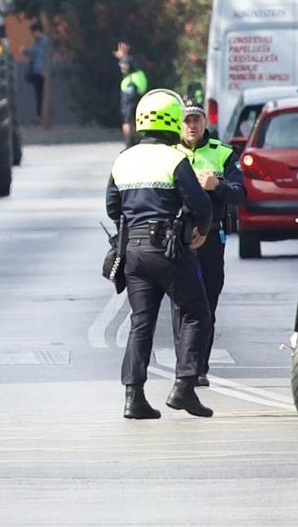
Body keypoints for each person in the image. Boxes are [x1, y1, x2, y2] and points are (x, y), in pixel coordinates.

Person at [105, 89, 215, 420]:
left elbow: (112, 207)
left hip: (134, 251)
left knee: (141, 322)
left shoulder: (123, 159)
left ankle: (133, 396)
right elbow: (201, 204)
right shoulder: (174, 159)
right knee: (196, 312)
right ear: (173, 122)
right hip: (169, 249)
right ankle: (184, 387)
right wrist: (202, 230)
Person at [174, 100, 246, 387]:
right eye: (186, 121)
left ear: (205, 122)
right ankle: (184, 367)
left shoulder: (223, 152)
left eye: (196, 120)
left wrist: (217, 186)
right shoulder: (169, 153)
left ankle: (199, 366)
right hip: (178, 238)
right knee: (181, 304)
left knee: (206, 303)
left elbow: (241, 193)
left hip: (212, 238)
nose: (191, 126)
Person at [23, 20, 49, 126]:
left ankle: (43, 117)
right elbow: (35, 55)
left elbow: (42, 56)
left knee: (42, 95)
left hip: (42, 72)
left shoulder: (45, 42)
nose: (33, 35)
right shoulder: (38, 42)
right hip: (37, 72)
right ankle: (40, 116)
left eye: (33, 32)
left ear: (38, 31)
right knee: (39, 95)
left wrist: (45, 70)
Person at [118, 54, 147, 144]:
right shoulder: (140, 74)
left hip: (129, 101)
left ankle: (129, 142)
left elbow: (127, 95)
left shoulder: (129, 79)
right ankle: (138, 139)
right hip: (141, 101)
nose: (122, 69)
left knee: (127, 121)